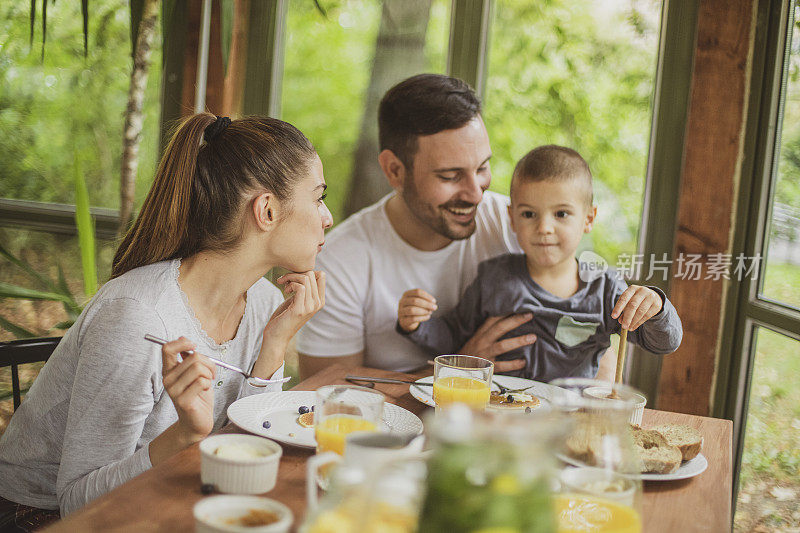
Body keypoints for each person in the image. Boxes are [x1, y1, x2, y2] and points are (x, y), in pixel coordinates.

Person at [0, 113, 332, 526]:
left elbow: (242, 451)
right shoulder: (136, 318)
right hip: (41, 515)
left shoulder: (264, 302)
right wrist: (185, 435)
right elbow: (78, 503)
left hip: (173, 489)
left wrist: (274, 345)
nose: (327, 217)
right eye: (318, 197)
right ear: (266, 210)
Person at [295, 73, 554, 378]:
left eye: (482, 167)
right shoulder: (340, 261)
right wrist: (460, 369)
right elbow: (329, 394)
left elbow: (590, 332)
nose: (475, 193)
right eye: (450, 176)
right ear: (394, 171)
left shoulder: (518, 224)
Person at [397, 145, 683, 381]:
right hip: (497, 418)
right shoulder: (495, 278)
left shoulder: (605, 290)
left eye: (561, 214)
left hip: (571, 426)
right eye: (529, 214)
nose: (544, 227)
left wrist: (656, 306)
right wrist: (417, 324)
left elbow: (663, 342)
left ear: (589, 219)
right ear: (511, 218)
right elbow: (452, 338)